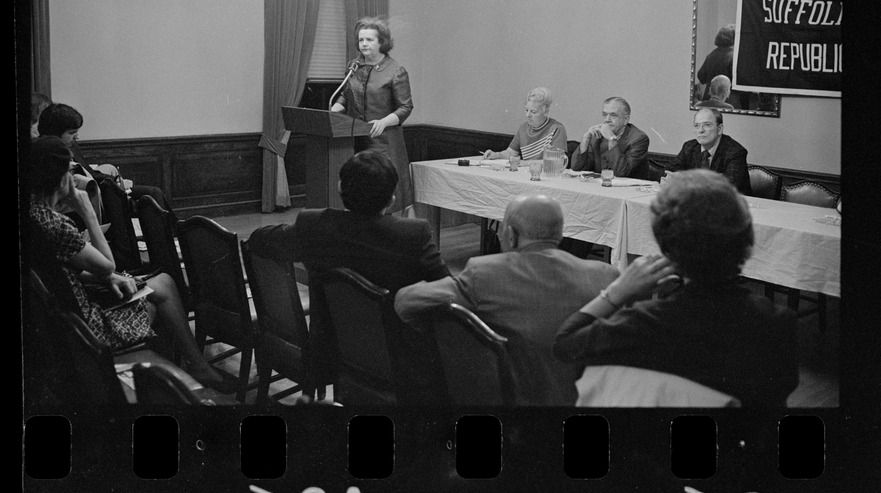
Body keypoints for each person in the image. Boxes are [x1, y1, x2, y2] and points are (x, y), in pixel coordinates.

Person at [554, 169, 798, 408]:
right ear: (747, 239)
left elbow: (565, 344)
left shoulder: (645, 321)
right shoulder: (778, 324)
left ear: (666, 247)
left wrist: (617, 291)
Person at [27, 136, 234, 393]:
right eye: (70, 171)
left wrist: (107, 277)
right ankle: (184, 376)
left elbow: (62, 270)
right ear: (59, 178)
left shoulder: (32, 215)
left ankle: (184, 371)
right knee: (165, 287)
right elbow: (107, 265)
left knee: (161, 284)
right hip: (90, 333)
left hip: (68, 324)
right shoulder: (55, 224)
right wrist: (87, 212)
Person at [248, 150, 450, 395]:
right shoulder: (413, 235)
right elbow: (449, 290)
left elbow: (258, 240)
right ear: (392, 198)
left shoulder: (314, 225)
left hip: (330, 354)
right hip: (400, 362)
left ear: (341, 188)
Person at [395, 193, 619, 406]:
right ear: (559, 235)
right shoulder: (605, 276)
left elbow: (405, 302)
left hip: (515, 404)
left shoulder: (484, 274)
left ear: (511, 235)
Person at [331, 16, 414, 213]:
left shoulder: (396, 70)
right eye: (361, 40)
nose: (364, 44)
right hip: (355, 139)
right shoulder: (354, 67)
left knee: (383, 190)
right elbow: (345, 95)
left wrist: (384, 122)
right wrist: (333, 111)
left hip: (384, 141)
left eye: (369, 40)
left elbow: (405, 107)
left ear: (381, 42)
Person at [37, 102, 176, 215]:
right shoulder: (48, 155)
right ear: (55, 132)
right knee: (151, 194)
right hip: (92, 195)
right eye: (72, 133)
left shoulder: (71, 145)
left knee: (152, 192)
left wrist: (115, 181)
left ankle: (173, 233)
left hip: (100, 187)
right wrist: (114, 183)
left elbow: (88, 171)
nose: (77, 137)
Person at [664, 107, 752, 194]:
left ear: (719, 129)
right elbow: (669, 170)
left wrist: (686, 179)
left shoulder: (735, 151)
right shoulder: (689, 147)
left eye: (707, 125)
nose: (700, 130)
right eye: (696, 125)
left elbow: (729, 186)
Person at [570, 96, 650, 179]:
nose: (607, 120)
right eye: (604, 115)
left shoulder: (639, 139)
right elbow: (576, 169)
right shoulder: (597, 136)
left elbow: (621, 172)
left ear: (626, 119)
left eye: (613, 115)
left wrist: (611, 138)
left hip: (630, 189)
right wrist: (585, 140)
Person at [482, 87, 568, 161]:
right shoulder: (523, 127)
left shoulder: (557, 129)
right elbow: (511, 152)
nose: (528, 115)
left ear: (546, 112)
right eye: (527, 110)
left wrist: (524, 163)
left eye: (533, 112)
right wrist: (496, 155)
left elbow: (556, 161)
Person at [696, 23, 745, 109]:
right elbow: (742, 80)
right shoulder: (736, 56)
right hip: (729, 101)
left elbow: (701, 76)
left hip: (709, 100)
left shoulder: (711, 55)